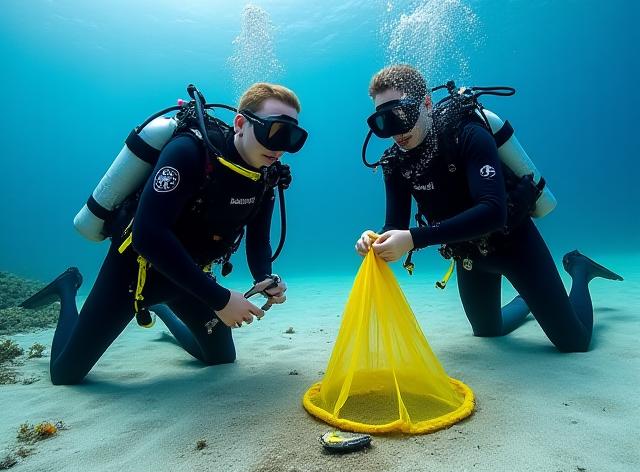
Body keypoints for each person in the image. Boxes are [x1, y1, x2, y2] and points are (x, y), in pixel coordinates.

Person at [21, 82, 308, 384]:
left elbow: (259, 240)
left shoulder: (265, 178)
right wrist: (220, 299)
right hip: (131, 277)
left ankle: (162, 305)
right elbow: (148, 234)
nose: (280, 148)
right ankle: (67, 289)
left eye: (293, 138)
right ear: (240, 123)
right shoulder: (189, 152)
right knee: (65, 374)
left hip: (188, 279)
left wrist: (264, 276)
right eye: (275, 131)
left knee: (221, 357)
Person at [355, 64, 622, 352]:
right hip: (468, 255)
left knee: (575, 342)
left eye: (401, 114)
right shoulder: (395, 163)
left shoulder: (467, 133)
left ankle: (579, 269)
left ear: (426, 104)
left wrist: (414, 238)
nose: (396, 132)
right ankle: (529, 299)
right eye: (384, 122)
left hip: (514, 245)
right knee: (486, 331)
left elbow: (494, 211)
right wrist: (375, 237)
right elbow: (394, 224)